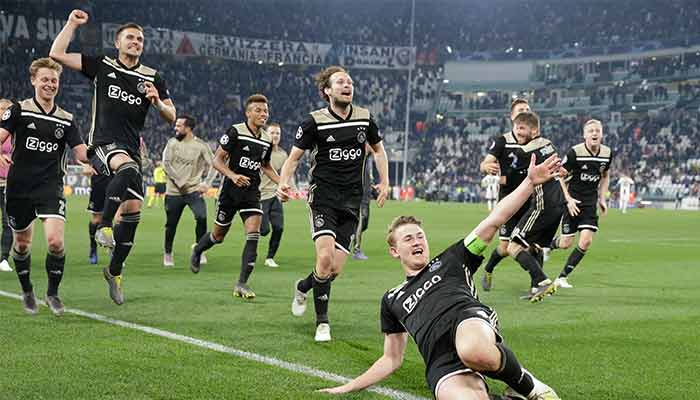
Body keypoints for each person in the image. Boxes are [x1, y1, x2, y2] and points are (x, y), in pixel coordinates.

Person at [318, 154, 561, 400]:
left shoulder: (452, 258)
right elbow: (391, 359)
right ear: (395, 251)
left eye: (420, 236)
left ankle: (528, 386)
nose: (417, 241)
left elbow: (494, 220)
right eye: (408, 238)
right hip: (440, 360)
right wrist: (348, 387)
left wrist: (530, 182)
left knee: (473, 350)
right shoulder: (391, 299)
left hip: (467, 323)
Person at [50, 10, 176, 305]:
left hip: (132, 147)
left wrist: (157, 100)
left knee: (133, 212)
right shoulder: (102, 65)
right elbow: (56, 53)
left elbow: (172, 116)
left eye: (140, 39)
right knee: (129, 169)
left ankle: (114, 271)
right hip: (103, 144)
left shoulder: (152, 77)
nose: (136, 42)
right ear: (117, 42)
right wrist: (71, 24)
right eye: (130, 37)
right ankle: (104, 226)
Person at [277, 66, 390, 342]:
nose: (347, 85)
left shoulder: (364, 118)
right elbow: (293, 158)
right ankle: (322, 323)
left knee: (333, 269)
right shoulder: (313, 122)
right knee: (324, 259)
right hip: (323, 198)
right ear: (327, 90)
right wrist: (283, 181)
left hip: (352, 201)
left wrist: (385, 182)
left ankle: (304, 286)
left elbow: (378, 150)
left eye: (349, 81)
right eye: (340, 82)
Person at [0, 57, 90, 315]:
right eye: (45, 79)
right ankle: (27, 289)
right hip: (18, 188)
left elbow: (81, 152)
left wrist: (103, 154)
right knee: (22, 245)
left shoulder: (66, 119)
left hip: (50, 186)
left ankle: (52, 293)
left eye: (54, 80)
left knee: (55, 242)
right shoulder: (18, 110)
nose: (50, 84)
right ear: (33, 81)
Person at [190, 94, 279, 299]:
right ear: (248, 113)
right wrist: (233, 175)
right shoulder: (235, 131)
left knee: (253, 234)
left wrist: (282, 183)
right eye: (258, 110)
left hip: (251, 193)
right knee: (218, 236)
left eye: (265, 111)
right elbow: (217, 160)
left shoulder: (266, 139)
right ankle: (198, 250)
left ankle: (242, 283)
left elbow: (265, 165)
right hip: (230, 192)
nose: (263, 114)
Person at [505, 112, 563, 302]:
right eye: (516, 128)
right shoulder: (548, 143)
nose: (517, 132)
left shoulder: (524, 152)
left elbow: (509, 177)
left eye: (522, 128)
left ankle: (542, 281)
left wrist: (491, 173)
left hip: (542, 204)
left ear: (534, 130)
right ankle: (535, 288)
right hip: (557, 203)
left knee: (513, 246)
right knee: (535, 247)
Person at [548, 120, 612, 288]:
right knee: (565, 243)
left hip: (590, 204)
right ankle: (548, 245)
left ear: (602, 134)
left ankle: (562, 277)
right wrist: (567, 199)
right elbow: (559, 175)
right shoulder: (575, 152)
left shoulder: (607, 153)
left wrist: (602, 198)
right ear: (584, 135)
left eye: (597, 130)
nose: (594, 133)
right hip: (573, 202)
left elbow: (605, 175)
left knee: (585, 241)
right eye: (590, 131)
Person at [478, 99, 532, 291]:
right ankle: (489, 268)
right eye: (520, 110)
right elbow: (485, 164)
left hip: (532, 201)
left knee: (533, 245)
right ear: (512, 117)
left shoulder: (538, 142)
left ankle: (537, 283)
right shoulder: (503, 141)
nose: (524, 112)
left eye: (527, 109)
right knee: (505, 248)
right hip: (509, 202)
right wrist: (487, 166)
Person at [161, 114, 216, 267]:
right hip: (173, 192)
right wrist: (180, 182)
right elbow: (166, 165)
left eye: (178, 126)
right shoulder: (171, 143)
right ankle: (168, 253)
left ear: (188, 128)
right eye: (176, 125)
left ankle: (200, 249)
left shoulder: (201, 145)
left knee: (202, 217)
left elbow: (215, 164)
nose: (175, 128)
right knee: (171, 224)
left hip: (193, 191)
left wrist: (207, 183)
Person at [259, 122, 289, 268]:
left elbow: (286, 174)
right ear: (266, 134)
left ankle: (270, 257)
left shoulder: (283, 154)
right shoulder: (260, 151)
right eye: (272, 133)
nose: (275, 135)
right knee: (264, 231)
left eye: (277, 133)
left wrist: (291, 188)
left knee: (279, 228)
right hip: (260, 196)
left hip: (275, 196)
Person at [351, 149, 374, 260]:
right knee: (360, 221)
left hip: (366, 195)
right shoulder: (357, 158)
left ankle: (349, 236)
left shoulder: (368, 160)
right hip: (358, 195)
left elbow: (368, 175)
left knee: (364, 223)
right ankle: (357, 250)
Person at [0, 99, 14, 272]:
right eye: (1, 108)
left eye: (7, 109)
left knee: (8, 222)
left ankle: (3, 258)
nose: (4, 111)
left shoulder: (16, 132)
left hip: (9, 184)